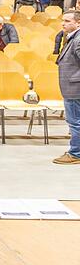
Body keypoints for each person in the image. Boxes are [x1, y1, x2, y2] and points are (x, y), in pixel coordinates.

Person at [54, 9, 80, 164]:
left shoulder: (78, 40)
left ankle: (76, 153)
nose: (63, 23)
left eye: (68, 21)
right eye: (63, 20)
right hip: (74, 87)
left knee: (75, 122)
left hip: (75, 88)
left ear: (78, 22)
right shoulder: (73, 37)